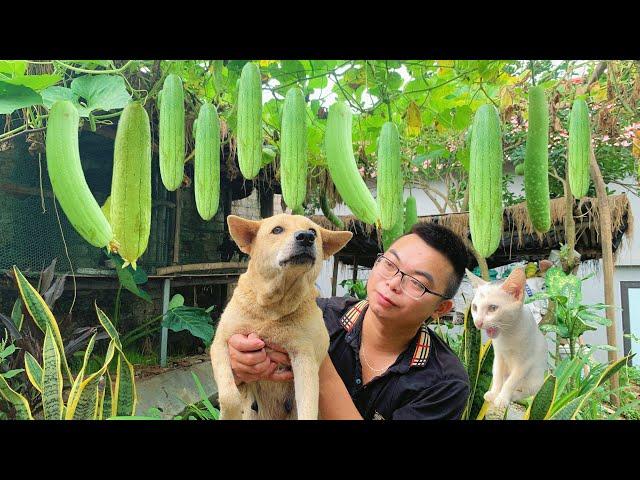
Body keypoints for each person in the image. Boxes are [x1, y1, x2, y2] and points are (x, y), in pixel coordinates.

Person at [226, 221, 471, 420]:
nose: (393, 284)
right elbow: (241, 379)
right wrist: (240, 365)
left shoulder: (444, 384)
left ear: (441, 308)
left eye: (417, 283)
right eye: (389, 264)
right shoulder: (321, 314)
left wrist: (314, 357)